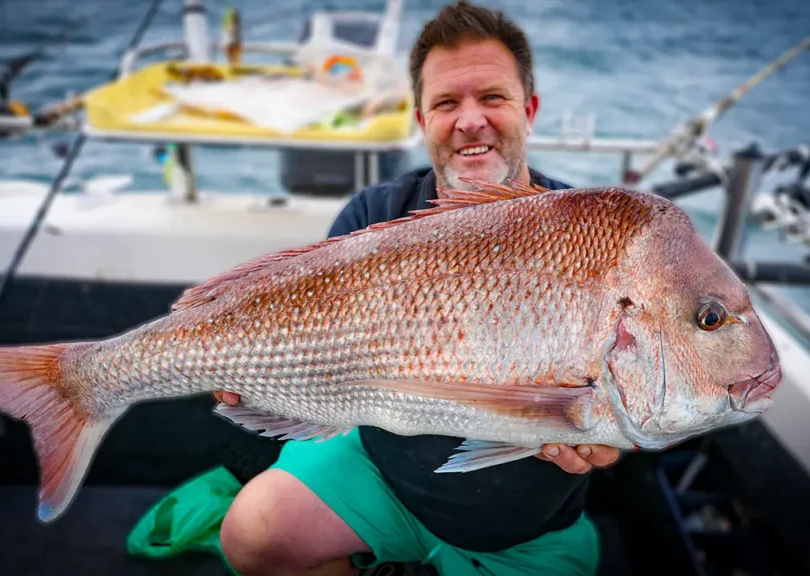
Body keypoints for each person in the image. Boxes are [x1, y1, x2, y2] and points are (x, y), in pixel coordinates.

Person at [215, 2, 621, 574]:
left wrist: (617, 433)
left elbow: (675, 379)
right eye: (447, 103)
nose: (470, 120)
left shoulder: (590, 232)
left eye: (493, 98)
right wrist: (254, 378)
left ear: (528, 110)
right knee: (254, 535)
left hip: (523, 528)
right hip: (381, 473)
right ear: (421, 119)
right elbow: (308, 342)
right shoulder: (374, 214)